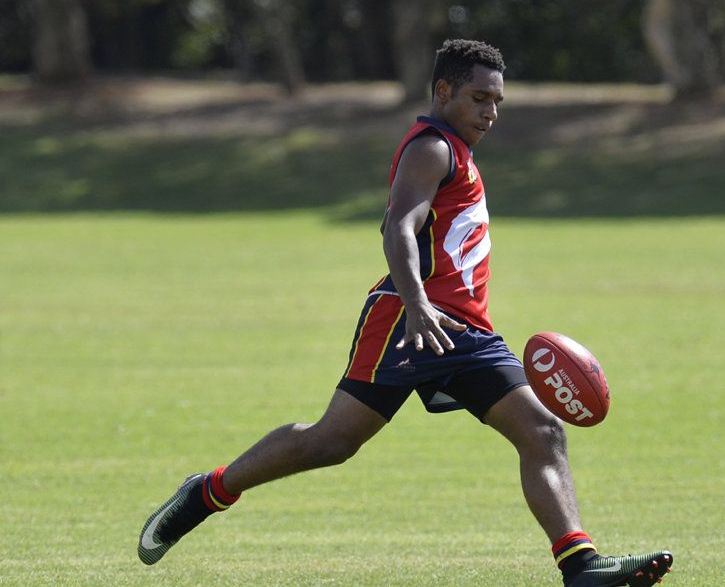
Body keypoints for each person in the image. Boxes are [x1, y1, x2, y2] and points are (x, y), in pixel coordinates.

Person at [137, 39, 673, 587]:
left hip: (465, 332)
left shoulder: (459, 152)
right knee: (332, 442)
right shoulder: (431, 148)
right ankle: (208, 491)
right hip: (408, 320)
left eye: (497, 102)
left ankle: (580, 565)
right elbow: (397, 225)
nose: (490, 112)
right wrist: (416, 304)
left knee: (542, 431)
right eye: (478, 98)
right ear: (443, 91)